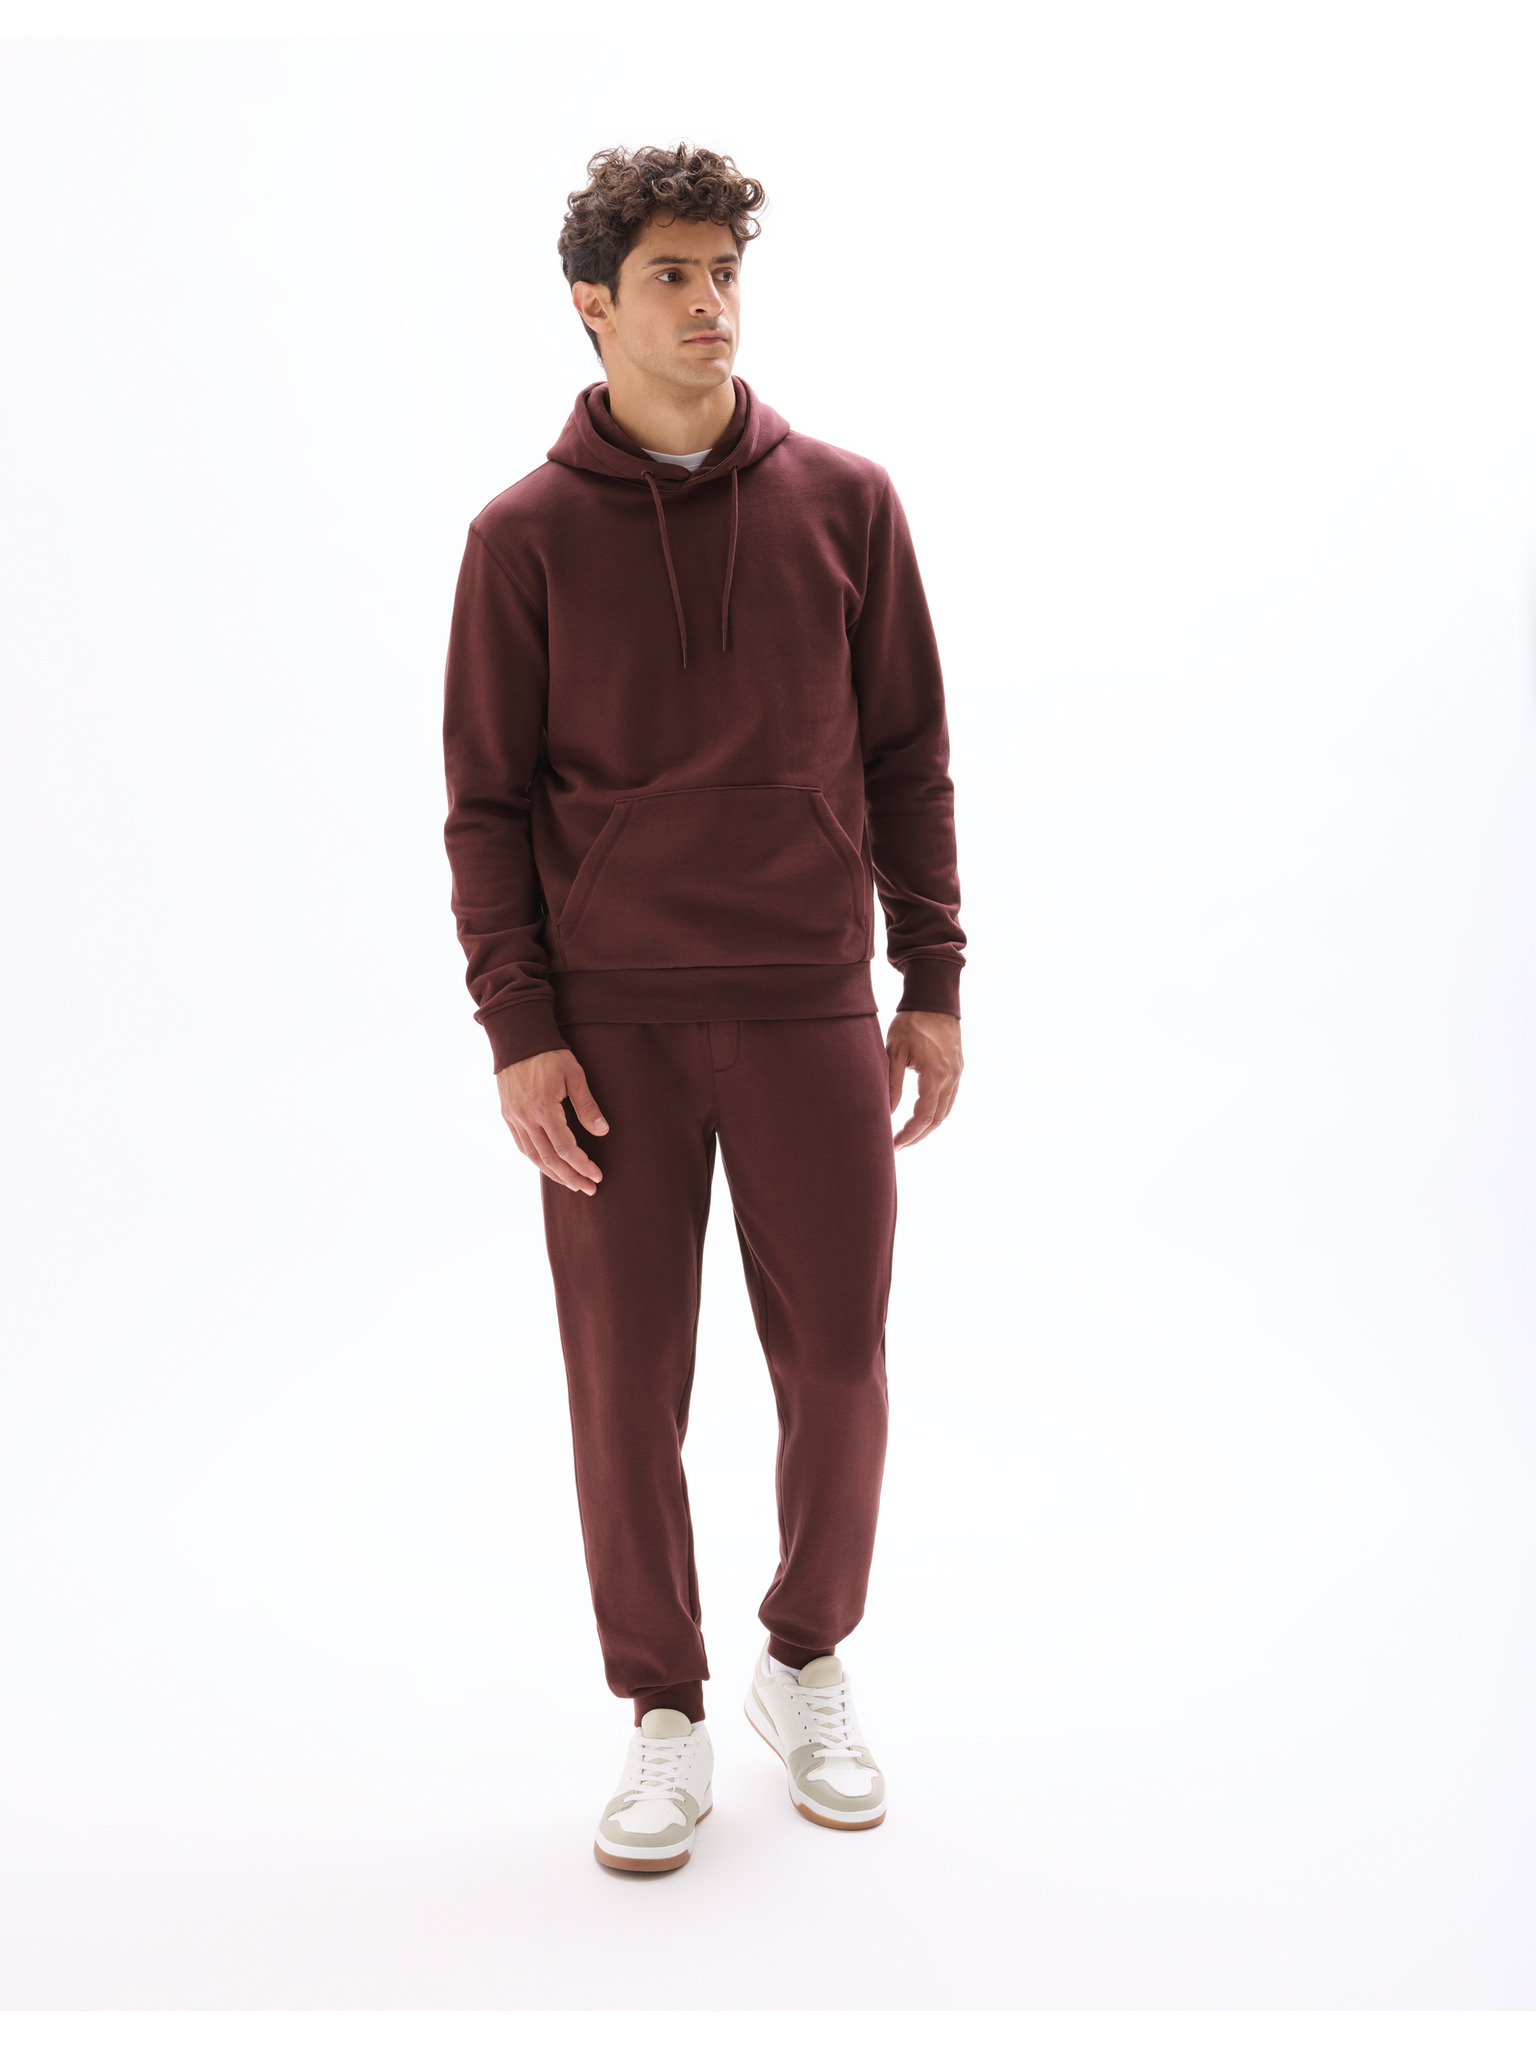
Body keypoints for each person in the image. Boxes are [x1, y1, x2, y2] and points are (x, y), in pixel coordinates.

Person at [441, 142, 966, 1873]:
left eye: (725, 269)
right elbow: (485, 805)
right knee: (625, 1384)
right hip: (611, 1032)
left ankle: (803, 1664)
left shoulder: (847, 502)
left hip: (812, 1005)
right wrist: (520, 1028)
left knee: (840, 1366)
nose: (711, 301)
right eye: (671, 273)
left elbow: (909, 756)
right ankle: (660, 1708)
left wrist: (931, 977)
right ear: (592, 305)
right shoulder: (520, 539)